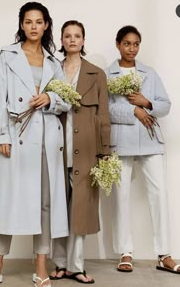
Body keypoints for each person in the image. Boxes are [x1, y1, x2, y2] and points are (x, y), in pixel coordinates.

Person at [0, 2, 71, 287]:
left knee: (44, 203)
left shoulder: (55, 63)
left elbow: (68, 99)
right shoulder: (7, 57)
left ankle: (40, 264)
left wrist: (51, 99)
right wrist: (1, 136)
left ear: (46, 25)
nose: (33, 26)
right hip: (17, 137)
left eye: (38, 21)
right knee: (6, 201)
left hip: (46, 139)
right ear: (22, 25)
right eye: (28, 21)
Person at [106, 25, 180, 274]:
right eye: (127, 43)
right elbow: (105, 109)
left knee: (159, 195)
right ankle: (125, 252)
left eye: (136, 43)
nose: (132, 48)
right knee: (121, 198)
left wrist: (147, 102)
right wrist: (134, 110)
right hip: (122, 143)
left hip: (151, 141)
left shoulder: (149, 73)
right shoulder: (107, 75)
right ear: (118, 44)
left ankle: (164, 254)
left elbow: (165, 105)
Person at [49, 20, 110, 284]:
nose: (72, 40)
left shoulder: (96, 74)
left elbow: (104, 114)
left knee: (80, 209)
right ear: (61, 40)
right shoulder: (51, 70)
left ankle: (77, 265)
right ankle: (60, 264)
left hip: (86, 151)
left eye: (77, 36)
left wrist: (105, 151)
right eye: (67, 36)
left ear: (84, 40)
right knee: (57, 207)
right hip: (54, 148)